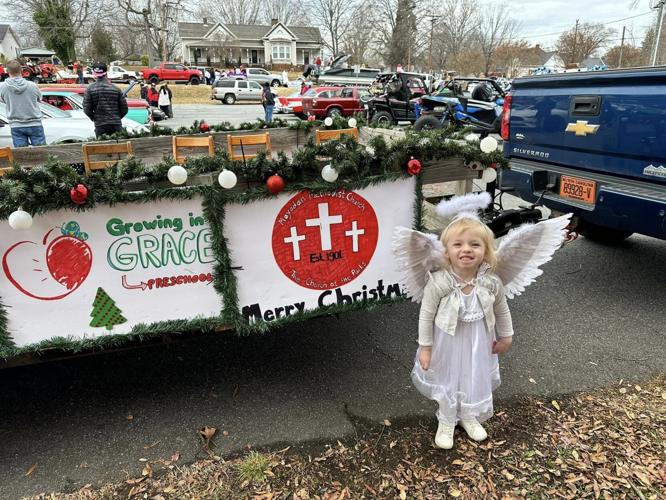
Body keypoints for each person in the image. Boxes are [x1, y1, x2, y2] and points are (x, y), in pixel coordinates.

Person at [411, 209, 513, 450]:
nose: (466, 249)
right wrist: (425, 348)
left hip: (478, 343)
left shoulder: (490, 282)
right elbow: (426, 316)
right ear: (447, 252)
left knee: (472, 375)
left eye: (474, 244)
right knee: (449, 377)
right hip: (447, 342)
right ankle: (446, 419)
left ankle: (468, 415)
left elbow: (502, 310)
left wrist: (506, 337)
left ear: (486, 252)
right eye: (458, 244)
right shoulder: (440, 282)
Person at [0, 59, 46, 147]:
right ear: (21, 70)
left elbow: (2, 100)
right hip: (35, 123)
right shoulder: (32, 85)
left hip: (16, 124)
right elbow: (39, 98)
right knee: (41, 154)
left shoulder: (2, 87)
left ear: (7, 71)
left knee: (21, 156)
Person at [82, 61, 128, 138]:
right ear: (106, 73)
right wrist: (116, 117)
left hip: (100, 125)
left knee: (102, 148)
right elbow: (124, 108)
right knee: (118, 148)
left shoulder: (90, 89)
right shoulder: (116, 89)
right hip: (116, 124)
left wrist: (94, 118)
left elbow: (87, 108)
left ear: (94, 74)